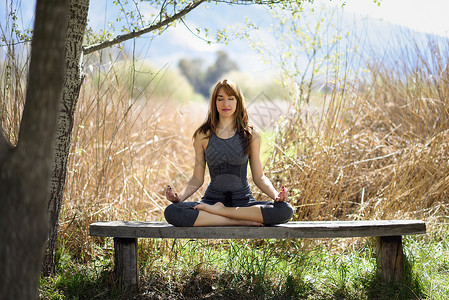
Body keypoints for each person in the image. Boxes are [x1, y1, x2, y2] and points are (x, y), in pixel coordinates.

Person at [164, 79, 294, 227]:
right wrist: (178, 198)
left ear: (238, 102)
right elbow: (197, 178)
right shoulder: (203, 135)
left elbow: (259, 177)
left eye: (231, 99)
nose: (226, 104)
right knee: (172, 212)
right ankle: (237, 220)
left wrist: (276, 195)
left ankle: (221, 212)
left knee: (285, 210)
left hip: (243, 203)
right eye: (221, 99)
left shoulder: (251, 134)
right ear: (214, 102)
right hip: (212, 201)